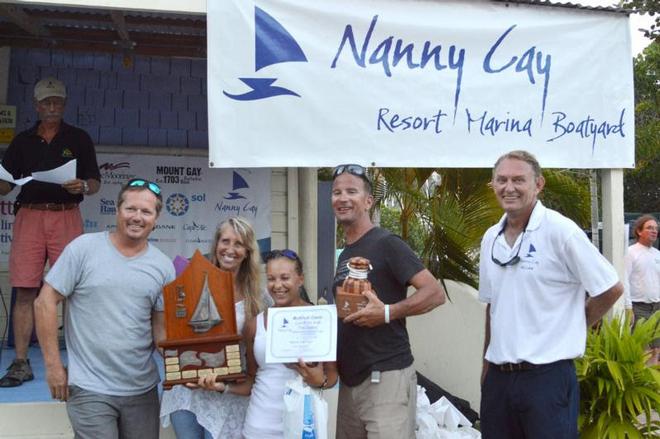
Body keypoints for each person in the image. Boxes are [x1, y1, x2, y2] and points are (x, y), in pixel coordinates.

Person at [478, 150, 623, 439]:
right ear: (493, 185)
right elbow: (493, 308)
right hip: (499, 380)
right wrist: (485, 367)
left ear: (539, 184)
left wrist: (576, 322)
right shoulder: (490, 238)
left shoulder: (561, 231)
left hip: (547, 379)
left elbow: (611, 287)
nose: (509, 187)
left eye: (519, 179)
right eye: (502, 180)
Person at [33, 178, 174, 439]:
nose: (137, 217)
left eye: (146, 211)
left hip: (141, 390)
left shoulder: (163, 267)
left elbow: (161, 333)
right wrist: (53, 366)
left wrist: (193, 364)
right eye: (131, 209)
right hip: (89, 388)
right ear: (117, 210)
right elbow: (44, 302)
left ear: (156, 218)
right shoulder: (83, 249)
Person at [331, 164, 446, 439]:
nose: (342, 198)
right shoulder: (347, 252)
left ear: (368, 201)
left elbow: (434, 293)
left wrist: (386, 313)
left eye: (351, 191)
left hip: (386, 377)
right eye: (336, 192)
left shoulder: (387, 243)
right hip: (349, 381)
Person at [0, 77, 101, 388]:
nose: (52, 106)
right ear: (36, 105)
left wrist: (82, 185)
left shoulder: (79, 138)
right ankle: (20, 363)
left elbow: (94, 182)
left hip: (65, 215)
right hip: (30, 216)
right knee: (25, 289)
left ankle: (80, 363)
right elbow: (5, 186)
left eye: (57, 101)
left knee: (73, 291)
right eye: (47, 102)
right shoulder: (22, 141)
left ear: (64, 104)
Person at [196, 249, 338, 439]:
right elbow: (252, 380)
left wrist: (319, 381)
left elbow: (332, 375)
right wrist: (222, 387)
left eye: (285, 277)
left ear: (300, 279)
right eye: (271, 279)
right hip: (259, 425)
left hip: (303, 425)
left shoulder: (321, 319)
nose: (277, 285)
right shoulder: (254, 324)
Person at [160, 217, 268, 439]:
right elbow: (173, 331)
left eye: (238, 244)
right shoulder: (191, 284)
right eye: (225, 241)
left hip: (228, 393)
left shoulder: (259, 297)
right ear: (216, 245)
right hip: (187, 391)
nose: (230, 249)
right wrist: (179, 365)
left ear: (248, 251)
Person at [624, 214, 659, 363]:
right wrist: (628, 307)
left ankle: (653, 384)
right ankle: (642, 382)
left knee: (657, 349)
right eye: (650, 228)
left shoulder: (657, 254)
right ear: (639, 231)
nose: (654, 231)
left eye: (656, 228)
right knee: (643, 350)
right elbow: (624, 279)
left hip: (657, 308)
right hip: (639, 308)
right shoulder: (630, 252)